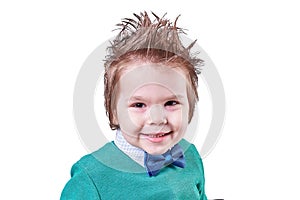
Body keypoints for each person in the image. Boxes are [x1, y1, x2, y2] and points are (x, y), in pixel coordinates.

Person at [61, 11, 207, 200]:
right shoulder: (91, 177)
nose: (156, 119)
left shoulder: (190, 156)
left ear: (190, 108)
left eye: (171, 103)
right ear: (113, 113)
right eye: (139, 105)